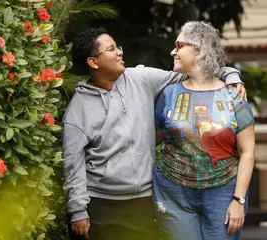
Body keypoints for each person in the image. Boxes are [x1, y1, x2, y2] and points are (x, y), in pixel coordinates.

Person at [62, 27, 246, 240]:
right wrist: (77, 211)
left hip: (142, 202)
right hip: (97, 204)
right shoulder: (78, 109)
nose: (120, 52)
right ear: (93, 62)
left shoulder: (141, 78)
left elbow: (196, 72)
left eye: (118, 46)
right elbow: (72, 162)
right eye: (111, 49)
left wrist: (232, 75)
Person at [153, 21, 255, 240]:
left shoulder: (233, 96)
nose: (173, 51)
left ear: (199, 50)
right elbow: (152, 139)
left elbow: (248, 152)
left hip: (223, 191)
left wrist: (238, 200)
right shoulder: (169, 93)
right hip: (173, 193)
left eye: (179, 45)